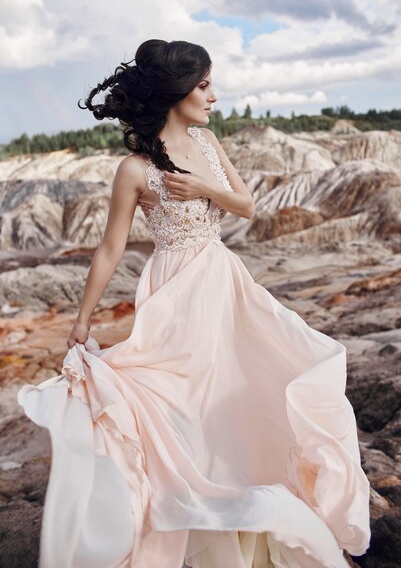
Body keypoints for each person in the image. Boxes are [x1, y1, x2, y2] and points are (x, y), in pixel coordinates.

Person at [18, 39, 371, 568]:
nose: (213, 96)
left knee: (247, 391)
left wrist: (202, 187)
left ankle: (249, 518)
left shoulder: (208, 145)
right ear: (176, 91)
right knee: (178, 406)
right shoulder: (134, 169)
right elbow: (111, 248)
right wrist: (82, 318)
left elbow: (248, 206)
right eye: (204, 85)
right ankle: (192, 517)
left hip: (221, 280)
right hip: (171, 291)